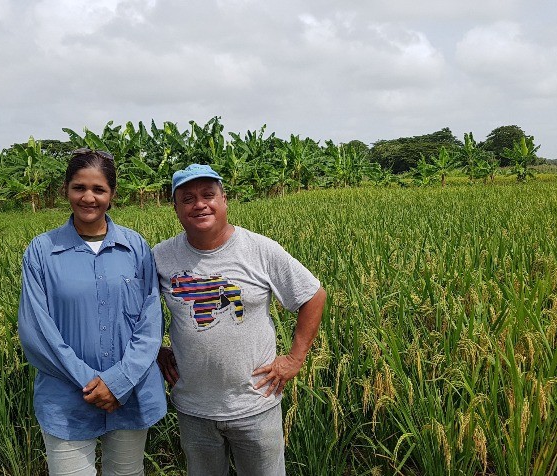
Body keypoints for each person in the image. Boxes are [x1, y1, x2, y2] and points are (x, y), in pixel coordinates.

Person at [154, 164, 326, 476]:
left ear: (224, 200)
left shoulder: (260, 249)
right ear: (176, 208)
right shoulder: (160, 257)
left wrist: (296, 357)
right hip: (193, 407)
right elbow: (136, 310)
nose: (200, 204)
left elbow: (313, 295)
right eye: (188, 198)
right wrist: (156, 350)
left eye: (209, 195)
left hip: (256, 404)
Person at [18, 149, 167, 475]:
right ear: (65, 190)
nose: (88, 197)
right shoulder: (42, 251)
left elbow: (151, 320)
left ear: (112, 194)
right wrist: (93, 383)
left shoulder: (136, 247)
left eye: (98, 189)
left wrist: (119, 381)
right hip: (67, 399)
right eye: (78, 188)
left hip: (131, 393)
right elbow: (37, 333)